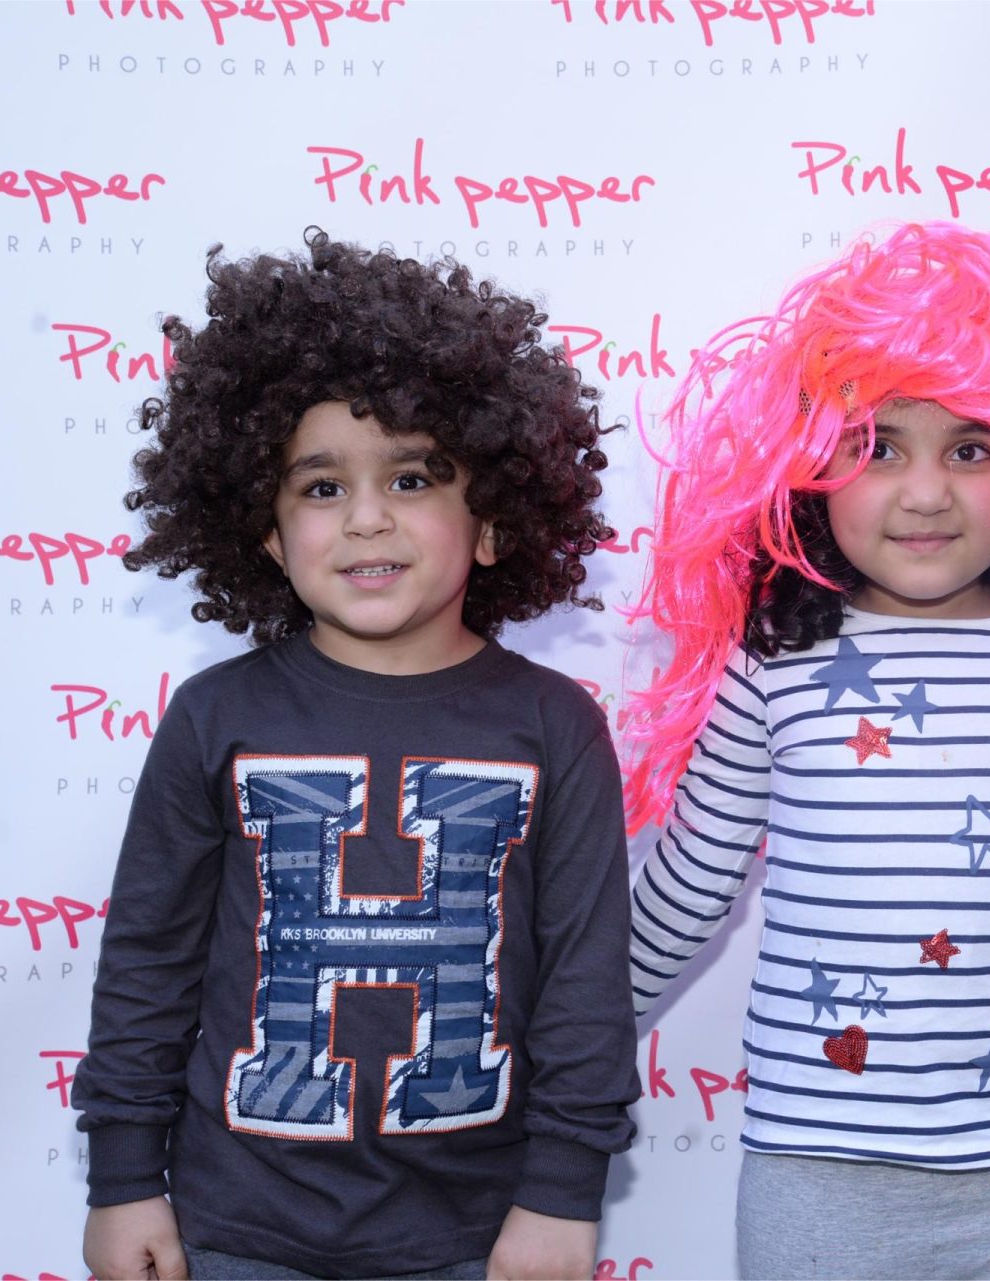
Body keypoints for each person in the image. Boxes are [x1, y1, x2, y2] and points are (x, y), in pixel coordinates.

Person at [72, 230, 639, 1281]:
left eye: (414, 477)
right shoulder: (214, 715)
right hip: (235, 1226)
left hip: (476, 1235)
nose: (367, 518)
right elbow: (148, 961)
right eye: (321, 488)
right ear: (267, 532)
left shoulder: (556, 726)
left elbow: (584, 983)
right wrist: (123, 1181)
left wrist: (564, 1195)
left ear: (495, 522)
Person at [622, 222, 990, 1279]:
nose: (926, 495)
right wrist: (573, 1047)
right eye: (875, 448)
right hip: (817, 1172)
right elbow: (688, 888)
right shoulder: (777, 653)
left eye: (971, 449)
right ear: (805, 469)